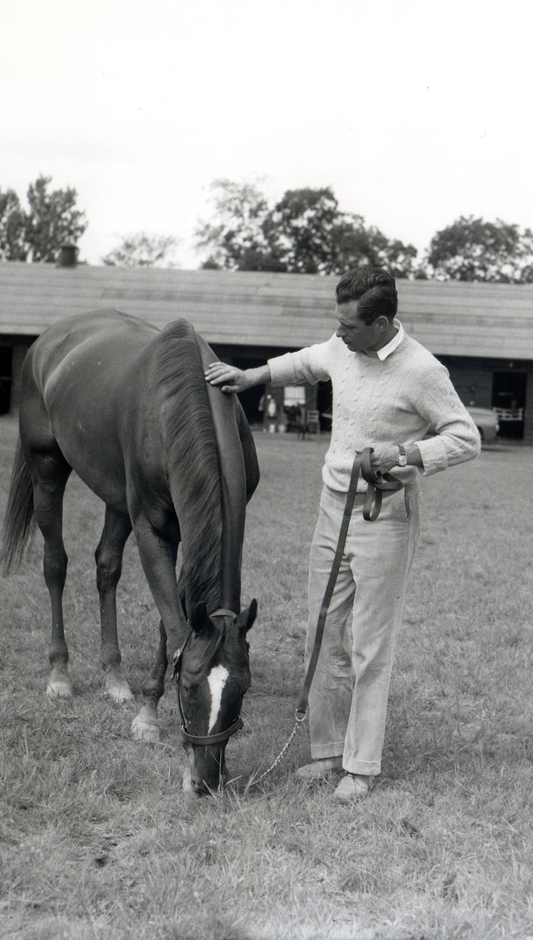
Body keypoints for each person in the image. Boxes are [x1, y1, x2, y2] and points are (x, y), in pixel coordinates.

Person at [205, 267, 481, 802]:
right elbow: (307, 362)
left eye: (350, 325)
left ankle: (361, 765)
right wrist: (253, 375)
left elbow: (465, 438)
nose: (341, 333)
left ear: (381, 323)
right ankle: (327, 752)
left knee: (369, 646)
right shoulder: (341, 347)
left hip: (384, 516)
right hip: (332, 509)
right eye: (338, 323)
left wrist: (406, 455)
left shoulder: (423, 370)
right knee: (322, 632)